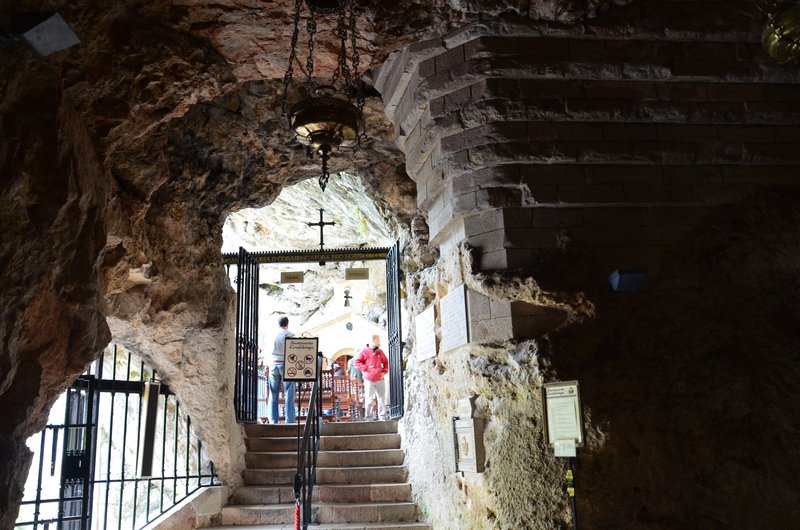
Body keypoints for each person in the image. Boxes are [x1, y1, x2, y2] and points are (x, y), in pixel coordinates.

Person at [268, 316, 296, 424]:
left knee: (273, 393)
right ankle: (289, 420)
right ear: (287, 324)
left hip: (273, 364)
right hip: (286, 364)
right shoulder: (290, 335)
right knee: (289, 393)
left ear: (278, 324)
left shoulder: (272, 335)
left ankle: (273, 420)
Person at [354, 335, 389, 421]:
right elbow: (356, 362)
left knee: (381, 399)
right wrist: (366, 368)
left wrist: (384, 372)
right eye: (378, 340)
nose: (379, 342)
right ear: (373, 341)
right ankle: (368, 418)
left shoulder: (380, 352)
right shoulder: (364, 351)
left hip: (379, 378)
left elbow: (386, 362)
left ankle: (382, 418)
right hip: (369, 378)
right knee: (369, 399)